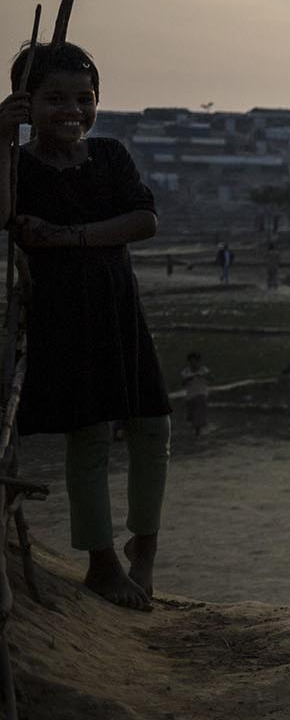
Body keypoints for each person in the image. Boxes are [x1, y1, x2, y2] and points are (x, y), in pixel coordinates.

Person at [0, 41, 173, 611]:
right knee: (90, 437)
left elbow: (143, 220)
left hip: (120, 310)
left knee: (153, 428)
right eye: (53, 99)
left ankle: (142, 549)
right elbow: (7, 219)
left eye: (84, 97)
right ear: (27, 103)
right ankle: (102, 564)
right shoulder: (20, 165)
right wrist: (3, 139)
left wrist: (67, 235)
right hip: (64, 317)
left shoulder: (110, 155)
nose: (72, 110)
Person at [180, 351, 212, 438]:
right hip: (190, 397)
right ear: (189, 362)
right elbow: (183, 383)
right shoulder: (186, 371)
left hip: (201, 395)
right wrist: (190, 378)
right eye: (192, 361)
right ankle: (199, 428)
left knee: (198, 416)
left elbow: (211, 378)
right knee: (190, 418)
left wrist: (204, 376)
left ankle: (198, 433)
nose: (194, 363)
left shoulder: (204, 370)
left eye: (196, 361)